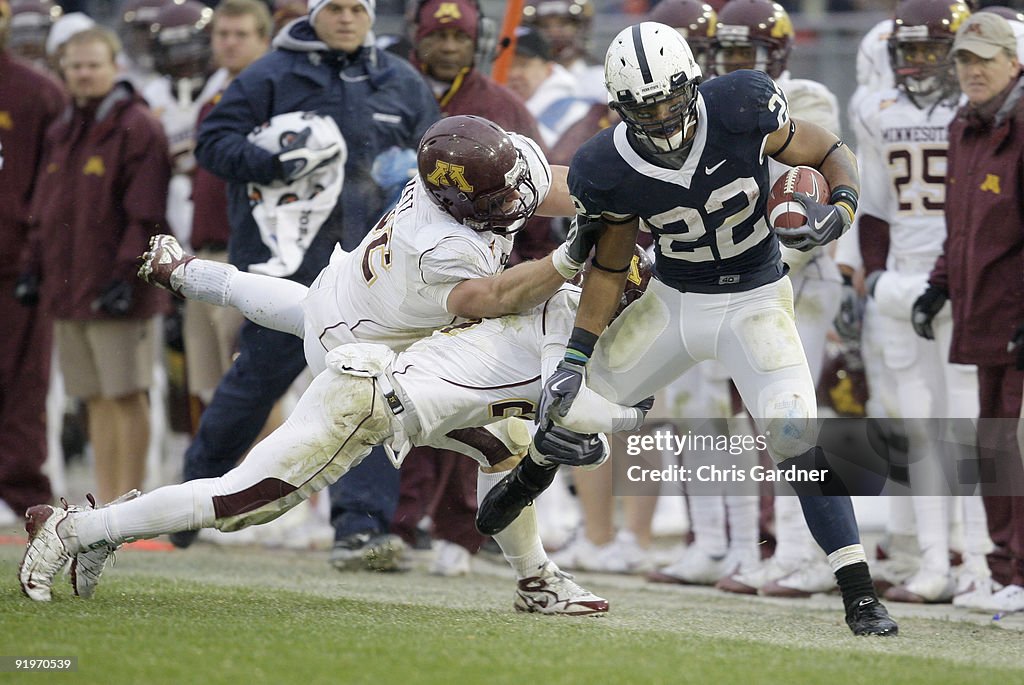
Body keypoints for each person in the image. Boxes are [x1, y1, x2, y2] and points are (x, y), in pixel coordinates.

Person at [20, 115, 618, 617]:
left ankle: (536, 580)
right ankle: (74, 528)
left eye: (513, 187)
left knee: (506, 445)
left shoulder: (490, 171)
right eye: (497, 200)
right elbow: (496, 298)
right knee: (243, 499)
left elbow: (558, 185)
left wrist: (623, 192)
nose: (515, 203)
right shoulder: (440, 246)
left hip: (344, 299)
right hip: (357, 364)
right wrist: (573, 257)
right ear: (454, 200)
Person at [477, 21, 899, 636]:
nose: (662, 117)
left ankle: (859, 593)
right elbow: (611, 263)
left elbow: (830, 152)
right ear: (621, 108)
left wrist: (840, 209)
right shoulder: (607, 162)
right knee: (575, 410)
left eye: (671, 100)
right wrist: (575, 357)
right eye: (644, 108)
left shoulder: (743, 104)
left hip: (757, 298)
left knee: (796, 440)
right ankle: (529, 478)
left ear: (693, 84)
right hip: (676, 300)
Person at [175, 0, 440, 559]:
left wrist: (408, 182)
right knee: (255, 386)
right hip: (284, 265)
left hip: (372, 272)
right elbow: (212, 143)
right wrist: (276, 163)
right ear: (314, 13)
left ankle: (360, 528)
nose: (346, 18)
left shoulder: (401, 81)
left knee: (369, 390)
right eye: (335, 8)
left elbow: (436, 158)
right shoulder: (268, 74)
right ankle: (188, 495)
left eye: (356, 9)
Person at [852, 0, 991, 606]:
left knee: (970, 422)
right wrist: (877, 276)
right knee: (920, 428)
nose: (920, 62)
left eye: (931, 50)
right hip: (906, 281)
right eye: (909, 51)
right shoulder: (874, 109)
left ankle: (982, 560)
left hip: (966, 275)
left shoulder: (981, 108)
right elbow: (875, 204)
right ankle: (936, 560)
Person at [16, 27, 172, 504]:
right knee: (96, 398)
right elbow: (45, 207)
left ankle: (132, 500)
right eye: (75, 66)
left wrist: (127, 276)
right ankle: (105, 501)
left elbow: (145, 212)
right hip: (68, 289)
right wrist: (32, 266)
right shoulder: (63, 128)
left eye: (93, 64)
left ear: (115, 67)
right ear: (64, 70)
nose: (84, 74)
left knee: (128, 393)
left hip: (115, 287)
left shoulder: (137, 125)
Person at [914, 11, 1024, 614]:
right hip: (983, 315)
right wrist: (938, 286)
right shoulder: (965, 126)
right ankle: (1009, 570)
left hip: (1013, 314)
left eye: (984, 58)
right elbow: (961, 226)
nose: (973, 70)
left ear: (1014, 62)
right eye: (963, 59)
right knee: (992, 445)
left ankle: (1020, 573)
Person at [185, 0, 271, 410]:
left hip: (247, 260)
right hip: (202, 255)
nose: (230, 43)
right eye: (223, 34)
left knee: (253, 394)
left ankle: (265, 479)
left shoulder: (274, 98)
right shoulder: (212, 98)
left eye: (241, 35)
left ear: (264, 40)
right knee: (209, 393)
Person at [0, 0, 65, 525]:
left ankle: (18, 488)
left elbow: (55, 182)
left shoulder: (37, 92)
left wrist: (37, 249)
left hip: (14, 261)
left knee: (23, 380)